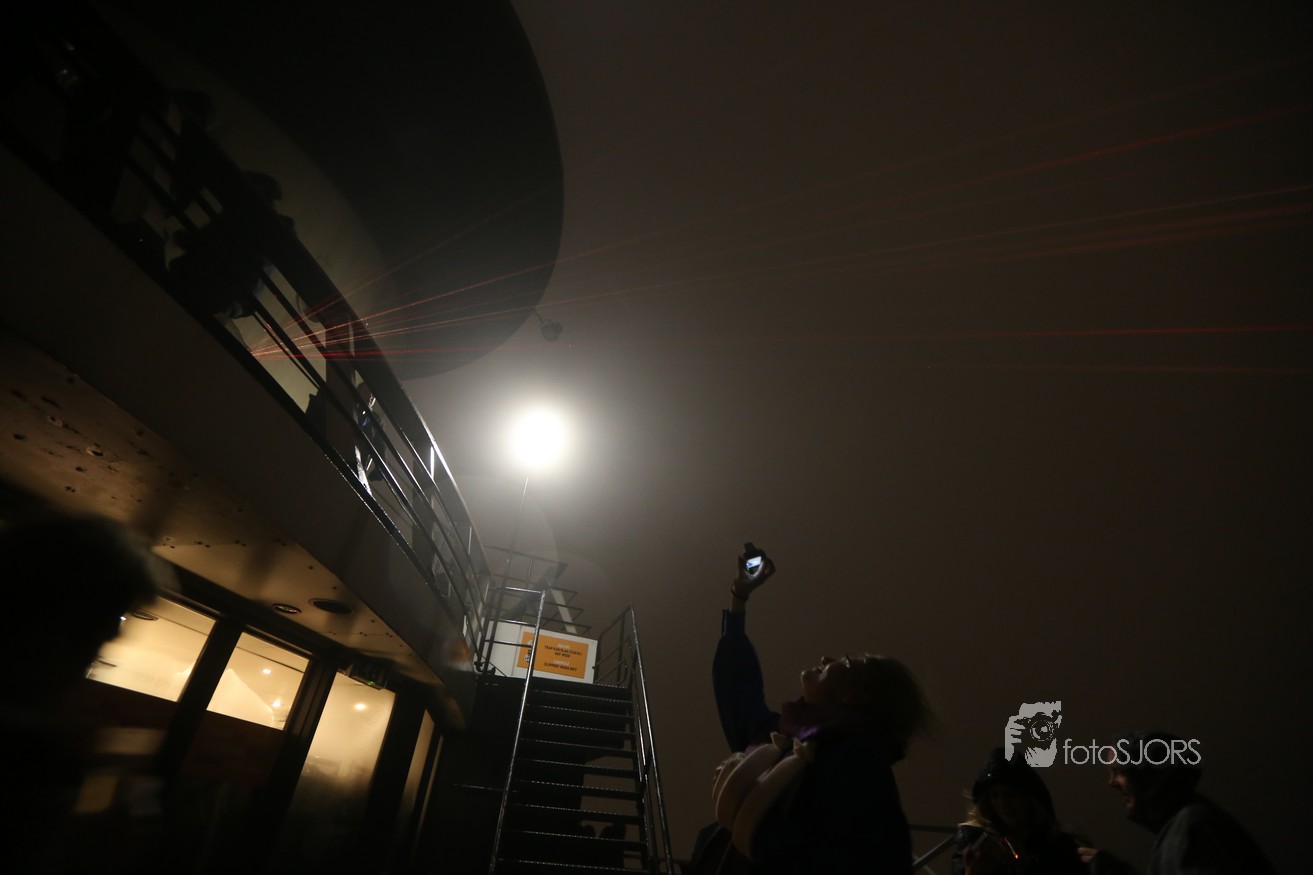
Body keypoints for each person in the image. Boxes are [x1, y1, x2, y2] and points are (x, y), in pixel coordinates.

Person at [688, 546, 933, 874]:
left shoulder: (856, 763)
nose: (827, 659)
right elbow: (737, 689)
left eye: (846, 662)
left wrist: (758, 829)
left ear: (856, 696)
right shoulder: (780, 738)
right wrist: (739, 597)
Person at [0, 511, 171, 873]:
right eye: (96, 636)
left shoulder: (35, 741)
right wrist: (92, 843)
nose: (88, 664)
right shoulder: (22, 751)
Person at [1081, 730, 1275, 875]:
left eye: (1120, 771)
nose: (1111, 783)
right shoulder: (1186, 823)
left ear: (1148, 774)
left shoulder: (1192, 826)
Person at [950, 746, 1085, 875]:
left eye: (1010, 794)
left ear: (1028, 797)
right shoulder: (973, 839)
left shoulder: (1058, 845)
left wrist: (1029, 867)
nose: (1002, 803)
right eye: (994, 795)